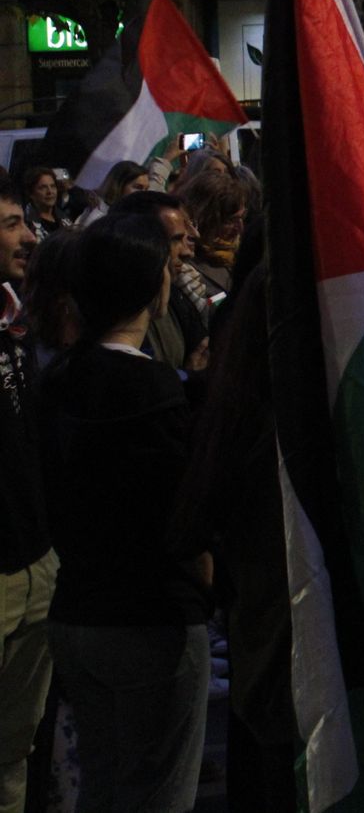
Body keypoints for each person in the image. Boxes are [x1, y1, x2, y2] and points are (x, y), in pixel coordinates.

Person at [40, 213, 211, 812]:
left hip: (77, 613)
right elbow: (180, 517)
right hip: (152, 619)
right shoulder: (155, 390)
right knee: (158, 793)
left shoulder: (57, 378)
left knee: (103, 785)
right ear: (152, 286)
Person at [0, 177, 45, 813]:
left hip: (36, 563)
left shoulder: (19, 320)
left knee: (14, 749)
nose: (30, 236)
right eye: (11, 223)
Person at [108, 192, 208, 377]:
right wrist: (188, 379)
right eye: (176, 239)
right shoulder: (114, 315)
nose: (188, 252)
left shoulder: (177, 297)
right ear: (141, 242)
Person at [177, 171, 248, 300]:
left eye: (242, 217)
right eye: (230, 221)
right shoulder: (186, 268)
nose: (239, 228)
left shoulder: (244, 252)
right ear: (205, 218)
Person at [74, 162, 151, 228]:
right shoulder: (100, 218)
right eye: (138, 187)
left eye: (146, 189)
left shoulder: (129, 218)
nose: (143, 194)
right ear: (119, 185)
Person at [21, 168, 61, 242]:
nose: (50, 191)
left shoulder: (64, 218)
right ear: (31, 193)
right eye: (43, 187)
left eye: (53, 186)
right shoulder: (25, 224)